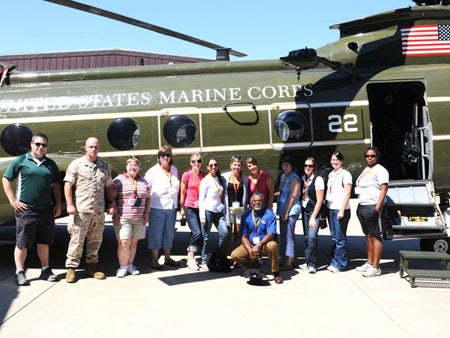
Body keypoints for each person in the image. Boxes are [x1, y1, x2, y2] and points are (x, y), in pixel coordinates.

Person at [2, 133, 62, 286]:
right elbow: (6, 178)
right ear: (31, 144)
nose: (41, 147)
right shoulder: (21, 160)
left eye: (44, 145)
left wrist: (59, 204)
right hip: (26, 210)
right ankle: (20, 272)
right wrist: (13, 200)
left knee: (44, 242)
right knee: (22, 243)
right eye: (38, 144)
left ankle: (45, 270)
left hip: (46, 210)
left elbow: (56, 185)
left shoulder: (50, 164)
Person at [64, 137, 115, 283]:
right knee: (76, 240)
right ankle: (71, 269)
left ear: (99, 148)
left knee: (96, 240)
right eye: (91, 147)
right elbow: (68, 184)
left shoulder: (104, 166)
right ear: (85, 148)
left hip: (98, 211)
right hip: (81, 210)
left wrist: (111, 203)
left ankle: (91, 267)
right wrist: (69, 204)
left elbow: (109, 186)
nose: (93, 149)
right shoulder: (77, 164)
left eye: (96, 147)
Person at [230, 193, 283, 284]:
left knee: (273, 246)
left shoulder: (270, 215)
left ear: (263, 202)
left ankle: (276, 273)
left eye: (260, 201)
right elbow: (243, 236)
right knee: (234, 255)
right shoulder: (245, 216)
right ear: (251, 202)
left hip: (265, 243)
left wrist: (258, 245)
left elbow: (271, 234)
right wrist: (250, 250)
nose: (257, 202)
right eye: (255, 201)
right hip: (251, 244)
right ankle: (254, 264)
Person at [112, 156, 151, 277]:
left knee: (134, 242)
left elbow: (148, 198)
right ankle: (122, 267)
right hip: (123, 217)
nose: (133, 167)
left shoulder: (144, 182)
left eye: (135, 165)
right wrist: (115, 213)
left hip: (139, 218)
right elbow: (112, 198)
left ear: (139, 168)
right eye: (130, 165)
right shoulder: (119, 180)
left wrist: (146, 213)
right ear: (126, 166)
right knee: (124, 242)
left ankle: (130, 265)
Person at [355, 146, 389, 277]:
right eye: (367, 156)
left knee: (375, 236)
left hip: (372, 205)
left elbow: (384, 189)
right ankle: (369, 262)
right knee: (368, 235)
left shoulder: (380, 170)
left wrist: (377, 207)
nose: (369, 158)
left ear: (377, 157)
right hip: (363, 205)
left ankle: (376, 267)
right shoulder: (367, 169)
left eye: (372, 156)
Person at [144, 146, 180, 270]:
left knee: (169, 234)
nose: (165, 157)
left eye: (168, 155)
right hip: (156, 207)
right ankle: (154, 259)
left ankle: (167, 258)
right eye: (163, 155)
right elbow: (145, 189)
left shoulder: (174, 170)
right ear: (158, 157)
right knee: (156, 234)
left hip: (171, 207)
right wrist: (146, 210)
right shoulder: (152, 171)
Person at [199, 158, 229, 268]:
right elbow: (201, 199)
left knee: (224, 233)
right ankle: (203, 259)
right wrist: (202, 216)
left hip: (218, 210)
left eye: (215, 165)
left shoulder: (221, 179)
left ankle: (217, 254)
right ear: (207, 167)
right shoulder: (205, 180)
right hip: (208, 210)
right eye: (211, 165)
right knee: (206, 237)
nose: (213, 167)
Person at [325, 151, 353, 272]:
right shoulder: (331, 174)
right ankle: (334, 261)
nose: (334, 162)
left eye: (337, 160)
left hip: (340, 209)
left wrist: (341, 210)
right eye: (332, 160)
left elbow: (347, 193)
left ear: (341, 161)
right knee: (334, 237)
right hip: (331, 208)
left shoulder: (345, 174)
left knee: (340, 238)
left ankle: (340, 263)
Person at [180, 153, 206, 271]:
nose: (197, 163)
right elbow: (182, 192)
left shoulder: (203, 175)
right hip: (189, 206)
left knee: (197, 232)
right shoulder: (186, 175)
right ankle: (191, 259)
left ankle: (191, 255)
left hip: (200, 207)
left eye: (199, 161)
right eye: (194, 161)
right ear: (190, 163)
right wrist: (181, 208)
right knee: (197, 232)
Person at [299, 157, 325, 273]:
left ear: (314, 168)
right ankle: (308, 260)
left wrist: (313, 217)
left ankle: (312, 264)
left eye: (310, 166)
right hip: (304, 211)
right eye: (305, 165)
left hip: (314, 212)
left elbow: (319, 201)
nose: (307, 168)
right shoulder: (302, 179)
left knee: (312, 237)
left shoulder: (318, 180)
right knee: (306, 238)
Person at [274, 156, 301, 271]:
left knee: (289, 236)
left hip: (290, 210)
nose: (285, 167)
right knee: (284, 235)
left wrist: (286, 212)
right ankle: (287, 258)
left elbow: (293, 195)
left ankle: (289, 262)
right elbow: (283, 191)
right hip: (282, 208)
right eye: (283, 165)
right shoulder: (283, 176)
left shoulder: (294, 178)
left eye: (287, 165)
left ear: (292, 166)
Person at [222, 155, 249, 254]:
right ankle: (225, 255)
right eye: (234, 165)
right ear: (230, 165)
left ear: (241, 166)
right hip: (229, 209)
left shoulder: (245, 179)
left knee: (238, 233)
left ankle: (235, 257)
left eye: (238, 165)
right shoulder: (224, 177)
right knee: (228, 233)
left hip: (240, 209)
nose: (236, 167)